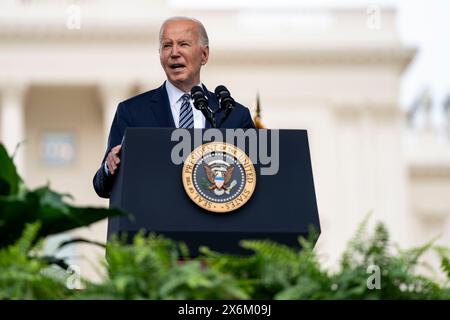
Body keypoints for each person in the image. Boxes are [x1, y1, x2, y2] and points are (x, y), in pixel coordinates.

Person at [93, 16, 255, 198]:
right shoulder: (132, 112)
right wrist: (109, 167)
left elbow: (255, 177)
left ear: (204, 55)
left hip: (217, 221)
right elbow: (102, 186)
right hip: (155, 222)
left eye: (184, 44)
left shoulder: (234, 115)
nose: (174, 52)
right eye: (167, 45)